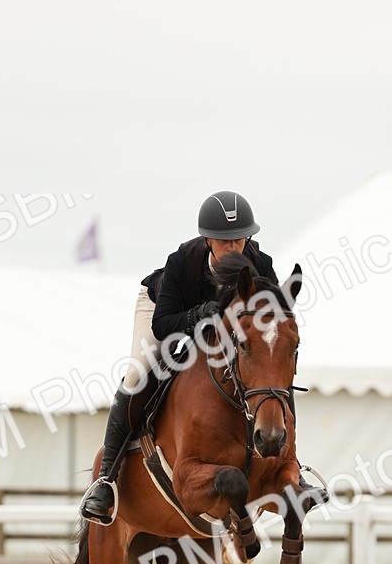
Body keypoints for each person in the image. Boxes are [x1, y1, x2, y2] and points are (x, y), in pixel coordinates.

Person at [80, 191, 319, 524]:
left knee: (270, 370)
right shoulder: (182, 262)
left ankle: (294, 471)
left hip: (225, 332)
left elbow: (270, 323)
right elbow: (163, 324)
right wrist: (196, 315)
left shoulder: (260, 264)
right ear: (208, 239)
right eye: (224, 241)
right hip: (166, 313)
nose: (232, 247)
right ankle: (105, 480)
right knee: (138, 376)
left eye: (239, 239)